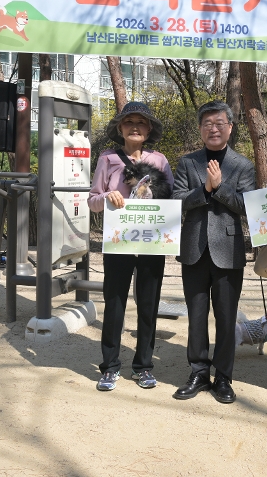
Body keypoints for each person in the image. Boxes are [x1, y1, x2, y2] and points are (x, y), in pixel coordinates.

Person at [171, 101, 255, 404]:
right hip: (193, 248)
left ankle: (223, 377)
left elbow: (247, 206)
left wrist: (219, 188)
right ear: (200, 129)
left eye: (219, 123)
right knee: (196, 315)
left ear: (230, 127)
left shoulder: (243, 165)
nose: (213, 128)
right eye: (207, 123)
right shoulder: (187, 162)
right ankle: (198, 372)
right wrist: (204, 190)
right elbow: (177, 200)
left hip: (228, 250)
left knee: (226, 316)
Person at [88, 101, 174, 391]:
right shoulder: (107, 158)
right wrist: (107, 196)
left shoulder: (160, 160)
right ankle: (110, 366)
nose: (135, 127)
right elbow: (92, 200)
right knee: (114, 303)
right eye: (129, 122)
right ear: (120, 128)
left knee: (149, 304)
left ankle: (143, 366)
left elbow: (171, 197)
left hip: (151, 240)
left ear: (149, 129)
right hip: (119, 241)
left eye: (141, 122)